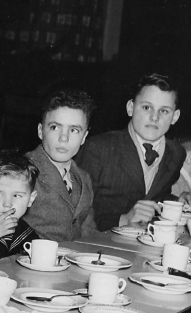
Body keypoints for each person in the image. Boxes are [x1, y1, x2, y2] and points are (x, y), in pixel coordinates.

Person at [77, 74, 189, 231]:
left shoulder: (176, 153)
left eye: (164, 111)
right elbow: (74, 213)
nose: (154, 117)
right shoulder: (98, 148)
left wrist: (177, 202)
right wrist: (122, 219)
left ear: (175, 117)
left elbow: (155, 195)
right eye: (146, 107)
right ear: (130, 108)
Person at [23, 90, 100, 241]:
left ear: (84, 137)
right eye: (55, 127)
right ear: (40, 131)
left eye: (74, 130)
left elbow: (88, 231)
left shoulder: (83, 178)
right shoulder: (21, 172)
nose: (64, 138)